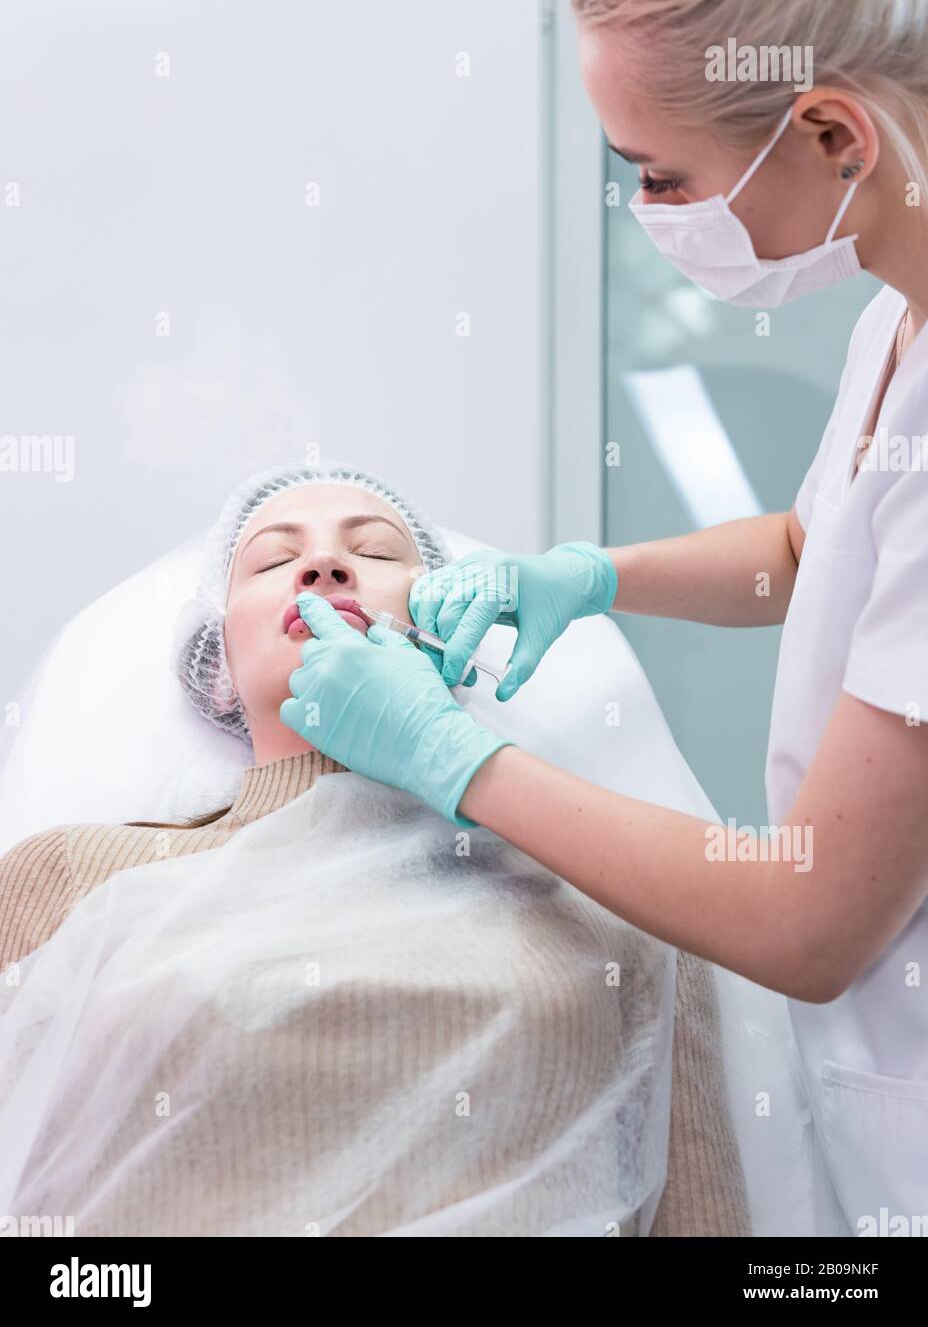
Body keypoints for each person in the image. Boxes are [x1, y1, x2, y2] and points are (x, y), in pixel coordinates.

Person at [279, 0, 928, 1237]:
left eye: (662, 174)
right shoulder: (892, 319)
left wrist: (453, 755)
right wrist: (584, 575)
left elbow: (810, 920)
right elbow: (815, 553)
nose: (650, 210)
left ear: (834, 136)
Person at [0, 461, 748, 1236]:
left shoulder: (618, 901)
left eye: (380, 553)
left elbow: (703, 1217)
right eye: (273, 560)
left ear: (453, 630)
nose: (324, 567)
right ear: (216, 668)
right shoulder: (70, 877)